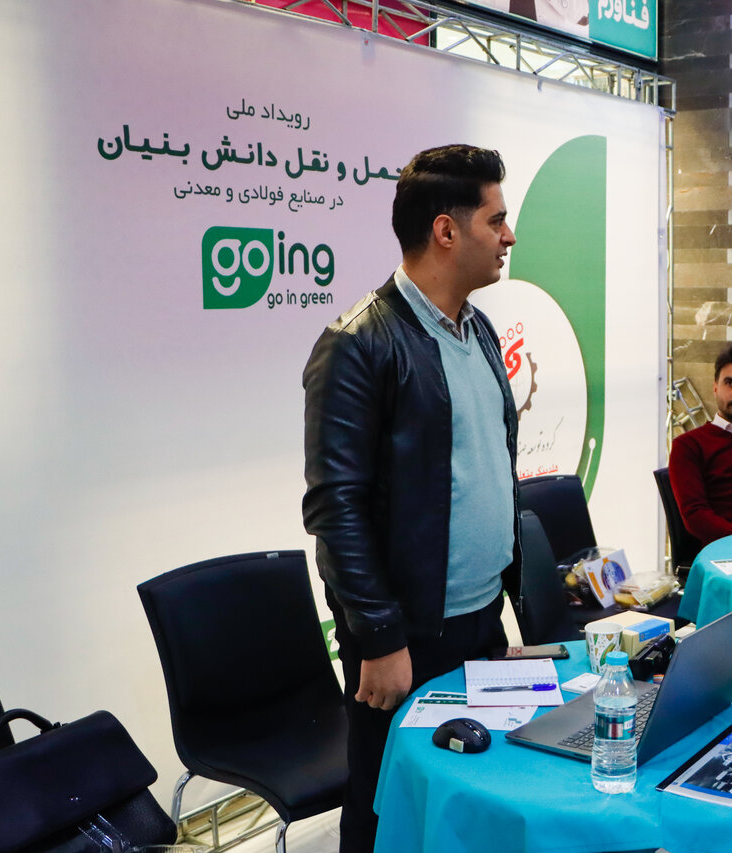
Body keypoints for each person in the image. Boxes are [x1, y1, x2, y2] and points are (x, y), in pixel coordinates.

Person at [302, 144, 521, 852]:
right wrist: (380, 636)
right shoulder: (358, 344)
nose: (508, 235)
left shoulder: (477, 329)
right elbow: (335, 507)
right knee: (385, 806)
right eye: (496, 219)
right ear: (446, 230)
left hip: (480, 622)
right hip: (405, 636)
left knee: (470, 797)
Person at [669, 343, 732, 544]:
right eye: (730, 383)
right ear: (715, 388)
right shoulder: (688, 446)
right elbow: (695, 516)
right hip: (722, 551)